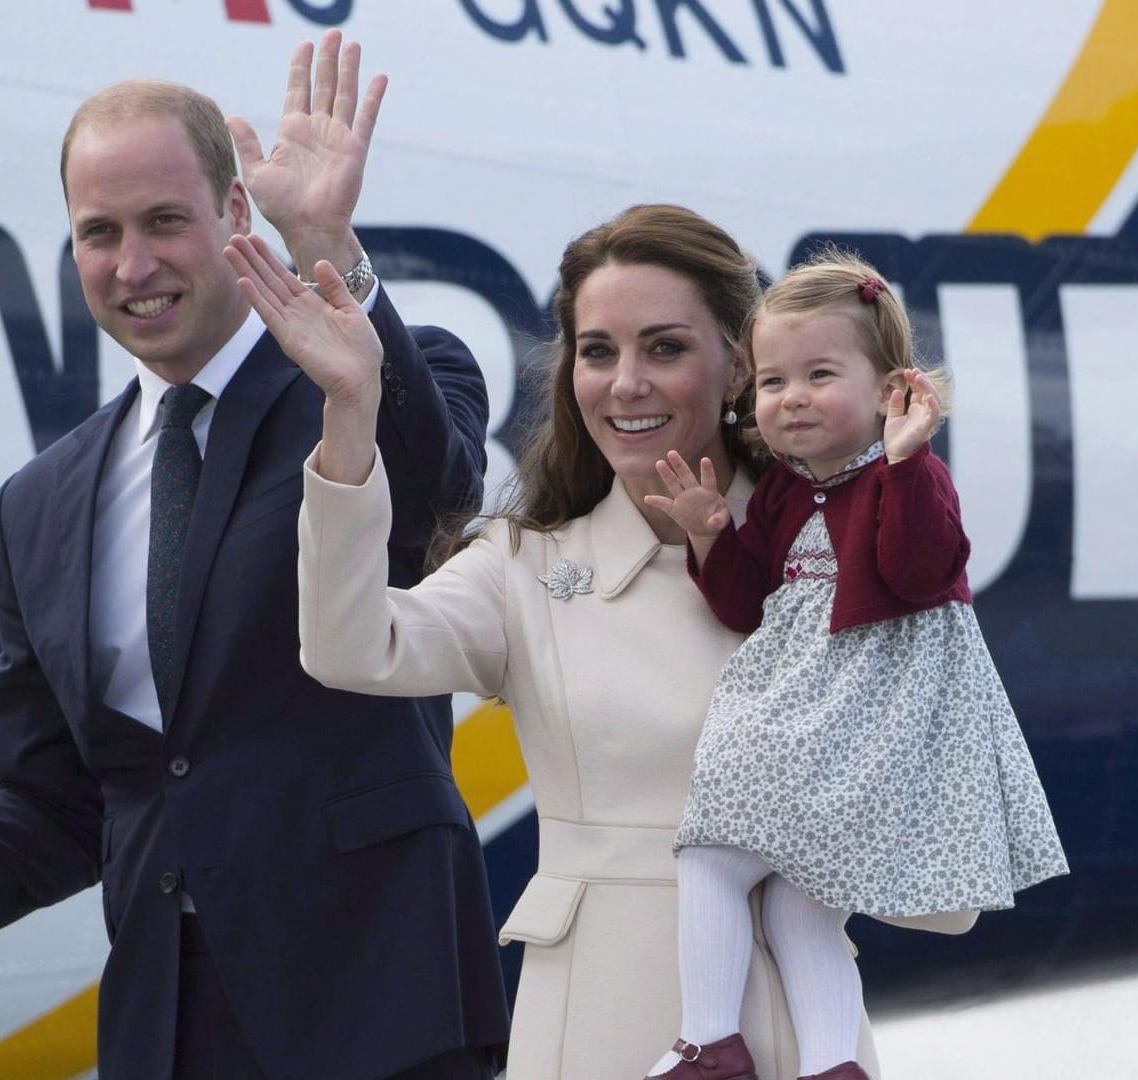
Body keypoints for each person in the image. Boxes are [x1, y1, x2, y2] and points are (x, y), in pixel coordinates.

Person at [0, 32, 508, 1080]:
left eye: (165, 222)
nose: (134, 265)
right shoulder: (39, 506)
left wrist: (332, 247)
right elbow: (67, 804)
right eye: (98, 233)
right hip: (166, 1025)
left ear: (237, 215)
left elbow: (436, 509)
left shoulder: (382, 377)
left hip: (381, 1006)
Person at [238, 204, 974, 1080]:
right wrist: (352, 411)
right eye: (598, 352)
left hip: (794, 1039)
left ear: (739, 366)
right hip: (595, 1034)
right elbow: (348, 647)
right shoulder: (523, 567)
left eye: (665, 348)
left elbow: (947, 876)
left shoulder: (863, 560)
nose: (625, 384)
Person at [644, 251, 1070, 1080]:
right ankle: (837, 1064)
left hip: (859, 725)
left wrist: (909, 462)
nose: (791, 398)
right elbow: (744, 605)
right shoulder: (782, 492)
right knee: (803, 910)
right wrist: (708, 537)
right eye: (772, 382)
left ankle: (709, 1040)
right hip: (818, 720)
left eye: (818, 375)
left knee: (710, 853)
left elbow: (919, 571)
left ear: (890, 392)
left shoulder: (914, 479)